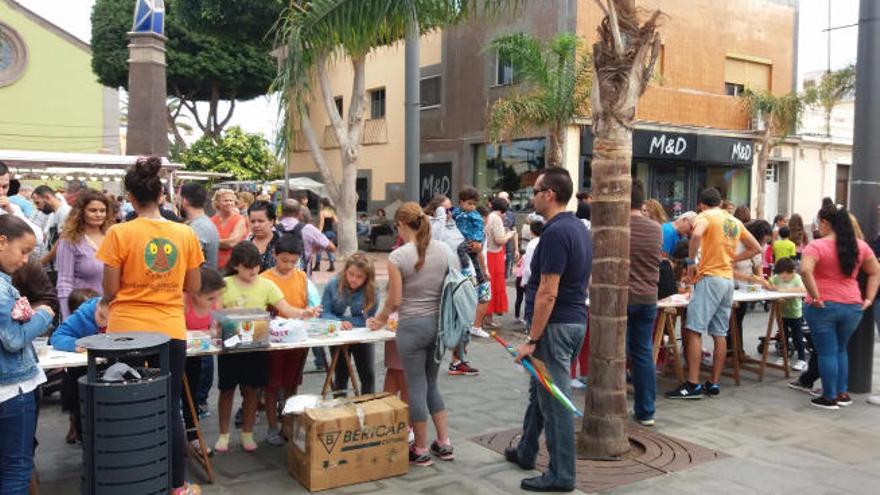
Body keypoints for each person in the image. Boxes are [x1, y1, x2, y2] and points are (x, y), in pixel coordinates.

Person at [96, 157, 204, 495]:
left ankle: (127, 479)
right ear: (161, 195)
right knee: (169, 407)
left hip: (124, 330)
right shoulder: (184, 234)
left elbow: (111, 290)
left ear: (129, 197)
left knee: (124, 401)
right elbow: (195, 286)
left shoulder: (118, 233)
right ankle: (176, 486)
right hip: (168, 329)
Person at [506, 168, 590, 492]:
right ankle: (527, 449)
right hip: (571, 321)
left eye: (537, 190)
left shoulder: (556, 233)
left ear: (550, 194)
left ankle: (561, 475)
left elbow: (548, 291)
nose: (533, 195)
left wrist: (532, 339)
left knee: (555, 402)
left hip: (555, 327)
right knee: (538, 392)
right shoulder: (577, 227)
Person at [368, 202, 456, 467]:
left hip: (412, 328)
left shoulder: (398, 256)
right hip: (439, 326)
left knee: (415, 387)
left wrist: (379, 320)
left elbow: (395, 300)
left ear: (402, 225)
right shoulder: (444, 251)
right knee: (432, 384)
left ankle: (419, 448)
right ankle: (444, 443)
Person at [214, 242, 316, 453]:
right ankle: (223, 435)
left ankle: (247, 433)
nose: (253, 271)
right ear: (237, 265)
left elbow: (285, 308)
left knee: (253, 391)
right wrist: (216, 328)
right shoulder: (224, 284)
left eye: (256, 266)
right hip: (231, 347)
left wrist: (304, 313)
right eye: (247, 267)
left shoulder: (266, 285)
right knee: (226, 391)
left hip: (257, 346)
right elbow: (214, 314)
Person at [665, 188, 761, 400]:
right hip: (727, 279)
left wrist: (690, 262)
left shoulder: (705, 216)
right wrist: (732, 260)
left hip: (710, 277)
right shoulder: (732, 221)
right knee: (719, 332)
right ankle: (714, 382)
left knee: (694, 330)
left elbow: (697, 234)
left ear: (701, 204)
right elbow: (756, 248)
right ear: (719, 202)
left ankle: (692, 383)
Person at [800, 204, 880, 410]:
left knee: (826, 352)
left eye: (819, 223)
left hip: (823, 306)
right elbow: (875, 271)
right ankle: (842, 393)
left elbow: (805, 271)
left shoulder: (816, 246)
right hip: (853, 305)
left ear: (826, 223)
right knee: (840, 349)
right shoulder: (860, 246)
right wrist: (869, 298)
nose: (818, 227)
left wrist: (815, 296)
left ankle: (828, 397)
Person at [0, 215, 55, 493]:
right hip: (11, 389)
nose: (25, 261)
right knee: (15, 469)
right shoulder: (1, 288)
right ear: (2, 242)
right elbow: (13, 339)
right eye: (23, 251)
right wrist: (43, 315)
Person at [261, 234, 319, 446]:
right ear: (275, 255)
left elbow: (306, 303)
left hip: (297, 338)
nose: (289, 265)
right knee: (272, 384)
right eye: (284, 260)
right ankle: (271, 426)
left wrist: (311, 312)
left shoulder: (302, 277)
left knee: (292, 383)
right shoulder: (266, 278)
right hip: (275, 340)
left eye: (294, 261)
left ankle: (288, 423)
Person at [50, 289, 108, 444]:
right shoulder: (85, 314)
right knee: (74, 386)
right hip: (85, 371)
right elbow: (57, 336)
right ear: (96, 307)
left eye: (109, 319)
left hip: (112, 371)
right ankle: (81, 431)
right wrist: (75, 345)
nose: (103, 323)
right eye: (101, 316)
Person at [627, 180, 663, 426]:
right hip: (649, 297)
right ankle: (646, 410)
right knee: (642, 354)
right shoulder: (656, 228)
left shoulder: (614, 227)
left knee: (612, 352)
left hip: (621, 299)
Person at [323, 254, 379, 395]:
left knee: (368, 374)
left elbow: (368, 318)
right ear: (345, 271)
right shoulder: (332, 284)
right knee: (341, 374)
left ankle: (368, 408)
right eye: (351, 274)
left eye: (359, 276)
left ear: (367, 278)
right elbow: (323, 312)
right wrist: (339, 322)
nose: (353, 279)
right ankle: (342, 410)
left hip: (362, 337)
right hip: (338, 336)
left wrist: (366, 323)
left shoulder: (372, 290)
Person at [182, 267, 225, 453]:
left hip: (197, 355)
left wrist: (218, 333)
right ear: (195, 293)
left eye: (216, 297)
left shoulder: (215, 301)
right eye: (210, 298)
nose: (214, 301)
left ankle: (193, 435)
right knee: (177, 394)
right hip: (180, 353)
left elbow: (216, 326)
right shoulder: (183, 301)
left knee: (192, 394)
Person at [55, 190, 112, 318]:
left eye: (102, 211)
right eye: (93, 210)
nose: (99, 214)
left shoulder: (112, 237)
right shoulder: (70, 240)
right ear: (81, 212)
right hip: (82, 311)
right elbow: (64, 282)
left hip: (110, 311)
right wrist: (67, 316)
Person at [767, 257, 808, 371]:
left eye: (785, 275)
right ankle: (784, 357)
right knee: (783, 336)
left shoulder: (796, 278)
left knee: (797, 337)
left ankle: (802, 360)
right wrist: (771, 289)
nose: (782, 277)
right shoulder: (776, 278)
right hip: (781, 313)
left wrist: (782, 291)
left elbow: (802, 290)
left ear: (792, 271)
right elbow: (769, 285)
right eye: (780, 274)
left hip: (795, 313)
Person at [277, 200, 335, 277]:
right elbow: (332, 247)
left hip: (277, 278)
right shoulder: (309, 229)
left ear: (281, 212)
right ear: (300, 213)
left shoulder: (272, 229)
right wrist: (313, 249)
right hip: (302, 277)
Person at [485, 197, 516, 328]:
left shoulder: (488, 216)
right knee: (495, 286)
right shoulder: (496, 218)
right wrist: (510, 235)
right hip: (495, 255)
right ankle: (488, 319)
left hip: (488, 253)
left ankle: (485, 317)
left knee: (488, 286)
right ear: (503, 210)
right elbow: (499, 240)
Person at [452, 187, 489, 293]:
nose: (473, 207)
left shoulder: (474, 215)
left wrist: (477, 240)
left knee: (461, 249)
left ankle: (466, 270)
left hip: (471, 239)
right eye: (470, 203)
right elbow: (452, 214)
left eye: (474, 204)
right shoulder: (457, 212)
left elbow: (479, 227)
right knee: (475, 261)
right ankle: (482, 283)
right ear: (461, 202)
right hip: (464, 238)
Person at [32, 185, 71, 277]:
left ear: (47, 197)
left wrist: (43, 261)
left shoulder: (65, 212)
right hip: (53, 267)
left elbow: (63, 241)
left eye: (38, 203)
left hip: (60, 269)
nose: (37, 207)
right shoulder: (54, 214)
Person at [179, 183, 220, 269]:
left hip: (201, 280)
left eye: (179, 198)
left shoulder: (199, 227)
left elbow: (185, 259)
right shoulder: (201, 223)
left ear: (184, 201)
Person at [211, 189, 248, 269]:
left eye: (231, 200)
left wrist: (212, 242)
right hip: (213, 265)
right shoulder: (212, 220)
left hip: (232, 266)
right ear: (217, 203)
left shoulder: (239, 219)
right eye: (225, 200)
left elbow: (232, 243)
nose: (229, 203)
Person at [247, 201, 281, 272]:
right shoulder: (245, 244)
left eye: (260, 221)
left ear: (272, 221)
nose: (256, 225)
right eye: (253, 221)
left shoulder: (283, 243)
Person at [314, 198, 338, 272]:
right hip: (331, 232)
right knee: (329, 249)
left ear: (322, 204)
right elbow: (336, 221)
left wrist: (319, 233)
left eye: (321, 203)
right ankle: (332, 265)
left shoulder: (322, 212)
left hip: (324, 232)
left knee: (319, 249)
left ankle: (317, 265)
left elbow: (322, 223)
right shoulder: (332, 211)